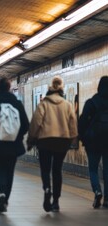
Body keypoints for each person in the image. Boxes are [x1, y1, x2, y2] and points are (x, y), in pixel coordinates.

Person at [27, 77, 78, 212]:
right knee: (57, 170)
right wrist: (72, 139)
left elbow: (36, 123)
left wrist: (31, 140)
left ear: (51, 88)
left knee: (45, 169)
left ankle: (47, 189)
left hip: (45, 141)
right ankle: (55, 200)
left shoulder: (44, 104)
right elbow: (73, 125)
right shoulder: (67, 105)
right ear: (62, 88)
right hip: (62, 142)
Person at [0, 78, 29, 213]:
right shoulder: (16, 102)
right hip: (13, 145)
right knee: (10, 171)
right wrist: (18, 136)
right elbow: (25, 124)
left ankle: (2, 192)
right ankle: (6, 199)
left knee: (1, 169)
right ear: (9, 87)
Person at [78, 76, 108, 209]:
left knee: (93, 169)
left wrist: (83, 139)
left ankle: (97, 191)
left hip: (93, 142)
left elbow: (82, 122)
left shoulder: (91, 102)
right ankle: (107, 200)